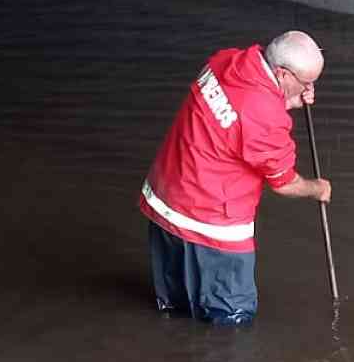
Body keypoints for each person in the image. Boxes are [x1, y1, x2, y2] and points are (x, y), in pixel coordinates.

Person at [141, 31, 332, 325]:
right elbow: (284, 183)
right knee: (231, 326)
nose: (309, 88)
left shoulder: (227, 61)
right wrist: (317, 188)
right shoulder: (266, 120)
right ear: (282, 74)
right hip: (210, 225)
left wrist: (287, 98)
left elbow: (240, 114)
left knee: (174, 309)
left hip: (165, 204)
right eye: (306, 82)